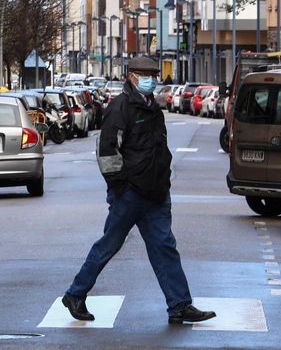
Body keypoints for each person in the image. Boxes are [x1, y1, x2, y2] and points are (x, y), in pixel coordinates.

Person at [62, 55, 215, 325]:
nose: (152, 80)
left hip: (155, 193)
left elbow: (159, 149)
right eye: (146, 75)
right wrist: (120, 186)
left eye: (153, 75)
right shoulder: (120, 107)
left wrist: (163, 180)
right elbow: (107, 151)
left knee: (164, 246)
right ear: (131, 76)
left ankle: (179, 305)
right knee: (109, 244)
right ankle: (75, 294)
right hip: (130, 193)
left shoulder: (153, 109)